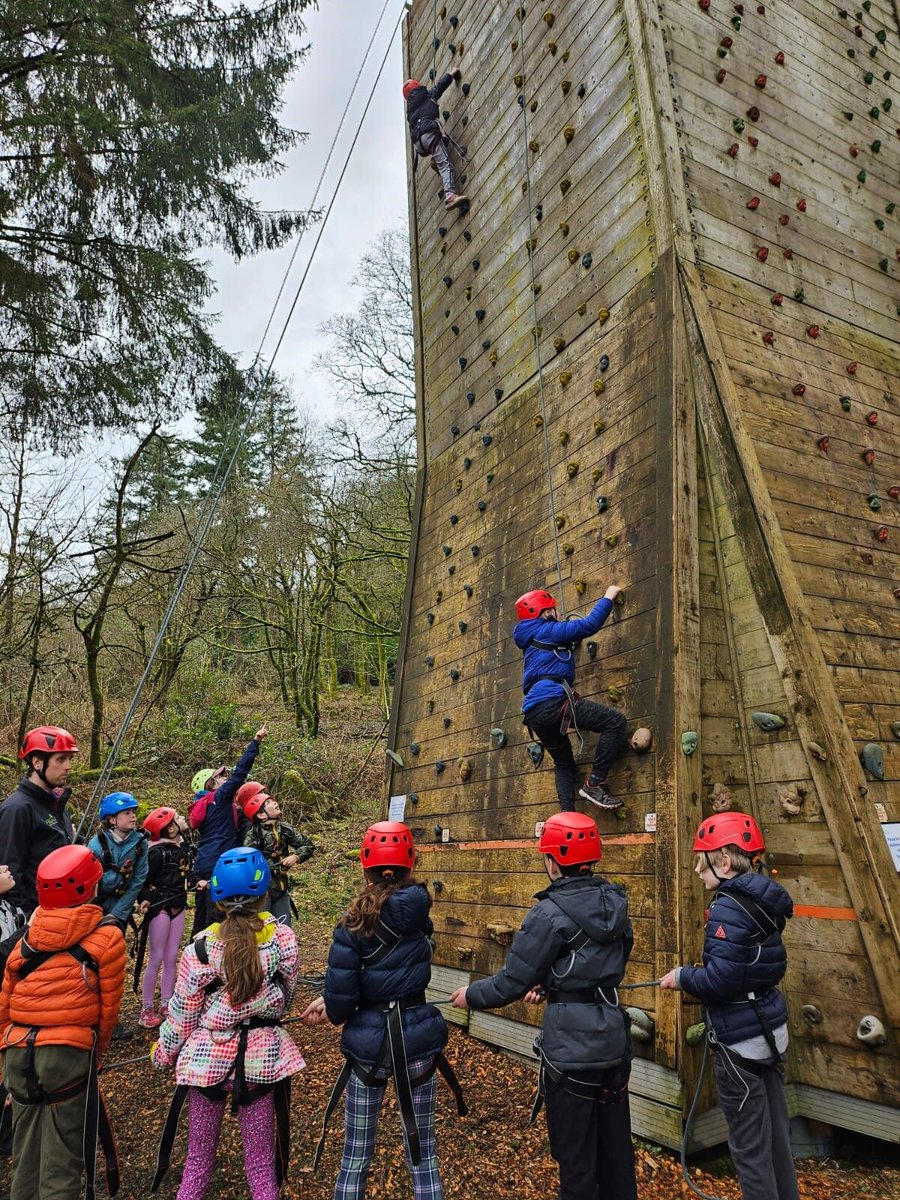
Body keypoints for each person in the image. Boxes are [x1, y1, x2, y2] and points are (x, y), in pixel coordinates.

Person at [450, 811, 637, 1200]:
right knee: (617, 1155)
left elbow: (511, 982)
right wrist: (557, 986)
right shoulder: (616, 903)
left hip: (572, 1053)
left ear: (552, 861)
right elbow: (609, 963)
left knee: (576, 1161)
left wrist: (470, 995)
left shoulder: (548, 914)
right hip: (614, 1044)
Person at [302, 821, 464, 1200]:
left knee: (356, 1155)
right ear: (411, 864)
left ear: (365, 865)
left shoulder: (352, 923)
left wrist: (333, 1005)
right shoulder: (421, 914)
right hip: (418, 1038)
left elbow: (342, 1002)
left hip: (369, 1045)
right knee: (423, 1155)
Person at [150, 847, 304, 1200]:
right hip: (261, 1063)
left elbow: (183, 1014)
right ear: (265, 893)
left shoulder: (200, 950)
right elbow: (287, 996)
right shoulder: (283, 941)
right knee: (262, 1166)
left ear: (216, 898)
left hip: (207, 1064)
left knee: (198, 1162)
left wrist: (162, 1053)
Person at [660, 813, 798, 1200]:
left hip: (739, 1041)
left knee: (749, 1147)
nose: (697, 871)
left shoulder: (727, 906)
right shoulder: (763, 898)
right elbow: (756, 966)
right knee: (775, 1135)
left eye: (702, 861)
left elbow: (721, 980)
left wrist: (683, 976)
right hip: (770, 1029)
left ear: (723, 862)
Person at [0, 844, 126, 1200]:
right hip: (66, 1055)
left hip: (17, 1053)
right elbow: (108, 1009)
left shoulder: (26, 937)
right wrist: (95, 1056)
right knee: (63, 1159)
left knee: (25, 1157)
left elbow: (6, 1003)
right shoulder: (106, 937)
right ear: (90, 888)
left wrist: (6, 1064)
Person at [515, 587, 627, 810]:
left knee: (564, 764)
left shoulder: (530, 639)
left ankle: (567, 815)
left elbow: (555, 653)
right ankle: (595, 783)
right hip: (554, 702)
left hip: (534, 713)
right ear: (545, 613)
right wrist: (608, 597)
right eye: (554, 610)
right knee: (615, 722)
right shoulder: (550, 630)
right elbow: (589, 625)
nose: (558, 613)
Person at [188, 726, 268, 936]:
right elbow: (241, 772)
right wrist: (255, 742)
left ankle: (195, 958)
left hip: (204, 862)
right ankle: (217, 959)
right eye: (220, 777)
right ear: (211, 784)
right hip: (218, 863)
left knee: (201, 918)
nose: (225, 779)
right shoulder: (219, 798)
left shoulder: (203, 805)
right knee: (218, 920)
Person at [0, 726, 78, 916]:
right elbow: (10, 872)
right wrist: (24, 924)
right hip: (34, 919)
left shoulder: (57, 804)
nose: (68, 766)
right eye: (60, 759)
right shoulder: (17, 809)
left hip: (61, 913)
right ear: (37, 762)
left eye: (69, 759)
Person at [136, 807, 191, 1029]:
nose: (182, 819)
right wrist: (145, 898)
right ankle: (147, 1008)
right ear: (168, 828)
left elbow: (190, 872)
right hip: (160, 908)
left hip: (179, 904)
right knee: (156, 957)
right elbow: (142, 879)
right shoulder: (155, 853)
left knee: (171, 956)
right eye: (177, 818)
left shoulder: (184, 848)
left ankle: (167, 1002)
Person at [240, 785, 315, 926]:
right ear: (261, 815)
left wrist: (296, 857)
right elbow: (248, 862)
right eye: (267, 803)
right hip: (261, 892)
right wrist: (273, 866)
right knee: (262, 929)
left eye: (272, 800)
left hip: (281, 888)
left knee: (284, 926)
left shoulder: (285, 828)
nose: (274, 803)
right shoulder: (253, 835)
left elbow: (308, 845)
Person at [403, 74, 468, 210]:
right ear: (417, 86)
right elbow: (440, 86)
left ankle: (434, 162)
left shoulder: (410, 111)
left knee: (442, 145)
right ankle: (450, 196)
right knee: (446, 164)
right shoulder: (428, 96)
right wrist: (451, 74)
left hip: (419, 144)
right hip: (429, 135)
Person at [87, 792, 150, 928]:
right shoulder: (96, 845)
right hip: (96, 905)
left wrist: (118, 913)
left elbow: (139, 878)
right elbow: (89, 883)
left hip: (121, 904)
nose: (133, 815)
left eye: (133, 812)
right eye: (127, 813)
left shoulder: (140, 843)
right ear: (112, 820)